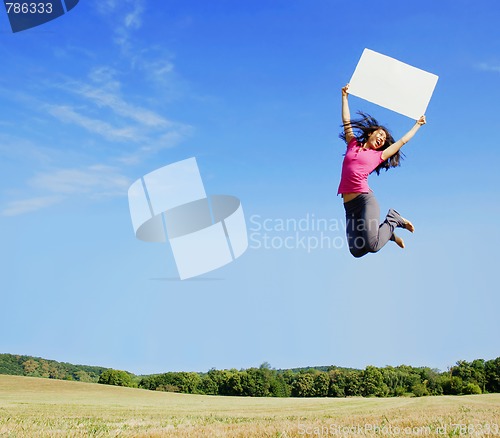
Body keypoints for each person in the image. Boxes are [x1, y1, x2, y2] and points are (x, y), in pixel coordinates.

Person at [338, 84, 426, 258]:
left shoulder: (378, 156)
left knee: (373, 246)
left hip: (364, 201)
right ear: (371, 133)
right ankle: (388, 234)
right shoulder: (352, 143)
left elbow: (401, 142)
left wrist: (418, 125)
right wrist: (344, 97)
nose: (381, 139)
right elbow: (346, 121)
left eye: (384, 140)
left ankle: (393, 219)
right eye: (380, 135)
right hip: (349, 206)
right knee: (356, 251)